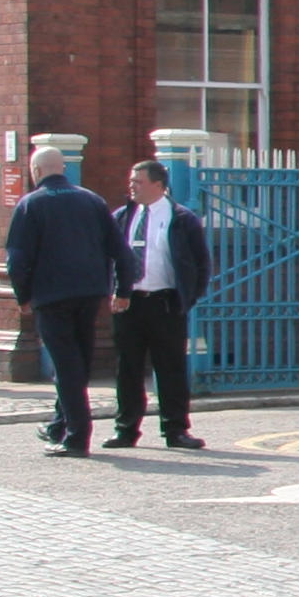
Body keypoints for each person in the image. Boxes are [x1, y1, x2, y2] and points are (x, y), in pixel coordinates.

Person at [3, 147, 120, 457]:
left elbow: (17, 258)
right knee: (77, 362)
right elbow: (118, 248)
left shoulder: (31, 205)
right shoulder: (93, 201)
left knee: (66, 366)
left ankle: (77, 436)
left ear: (36, 171)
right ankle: (60, 423)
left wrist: (22, 294)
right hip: (91, 292)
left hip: (52, 295)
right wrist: (121, 287)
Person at [109, 159, 212, 451]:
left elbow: (200, 262)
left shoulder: (181, 218)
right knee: (127, 369)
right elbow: (112, 257)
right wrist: (115, 291)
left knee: (170, 368)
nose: (132, 186)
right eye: (131, 181)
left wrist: (188, 298)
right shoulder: (122, 216)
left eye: (138, 181)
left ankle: (176, 429)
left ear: (157, 184)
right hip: (129, 302)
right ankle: (126, 429)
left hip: (165, 302)